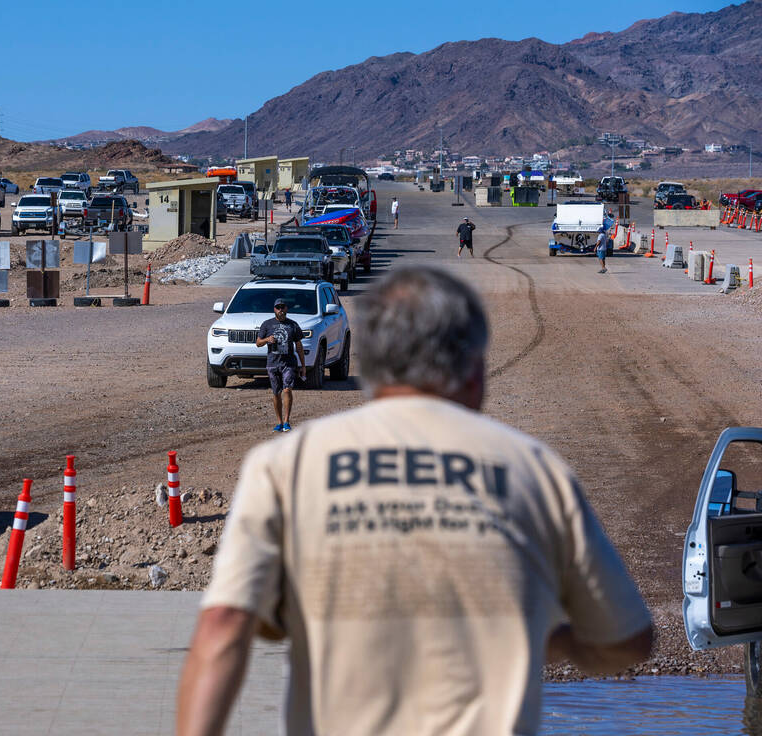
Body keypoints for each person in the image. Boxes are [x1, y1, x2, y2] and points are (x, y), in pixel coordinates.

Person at [178, 267, 653, 736]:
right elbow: (627, 639)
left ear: (375, 365)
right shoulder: (534, 470)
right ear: (475, 369)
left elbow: (223, 626)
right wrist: (537, 634)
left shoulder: (287, 463)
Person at [255, 298, 306, 432]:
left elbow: (299, 346)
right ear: (274, 309)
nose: (281, 310)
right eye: (278, 307)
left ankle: (286, 421)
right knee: (276, 392)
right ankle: (279, 422)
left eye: (283, 307)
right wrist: (267, 339)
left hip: (289, 362)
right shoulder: (267, 324)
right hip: (272, 363)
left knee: (287, 389)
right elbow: (258, 343)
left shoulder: (293, 325)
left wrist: (303, 365)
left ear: (286, 309)